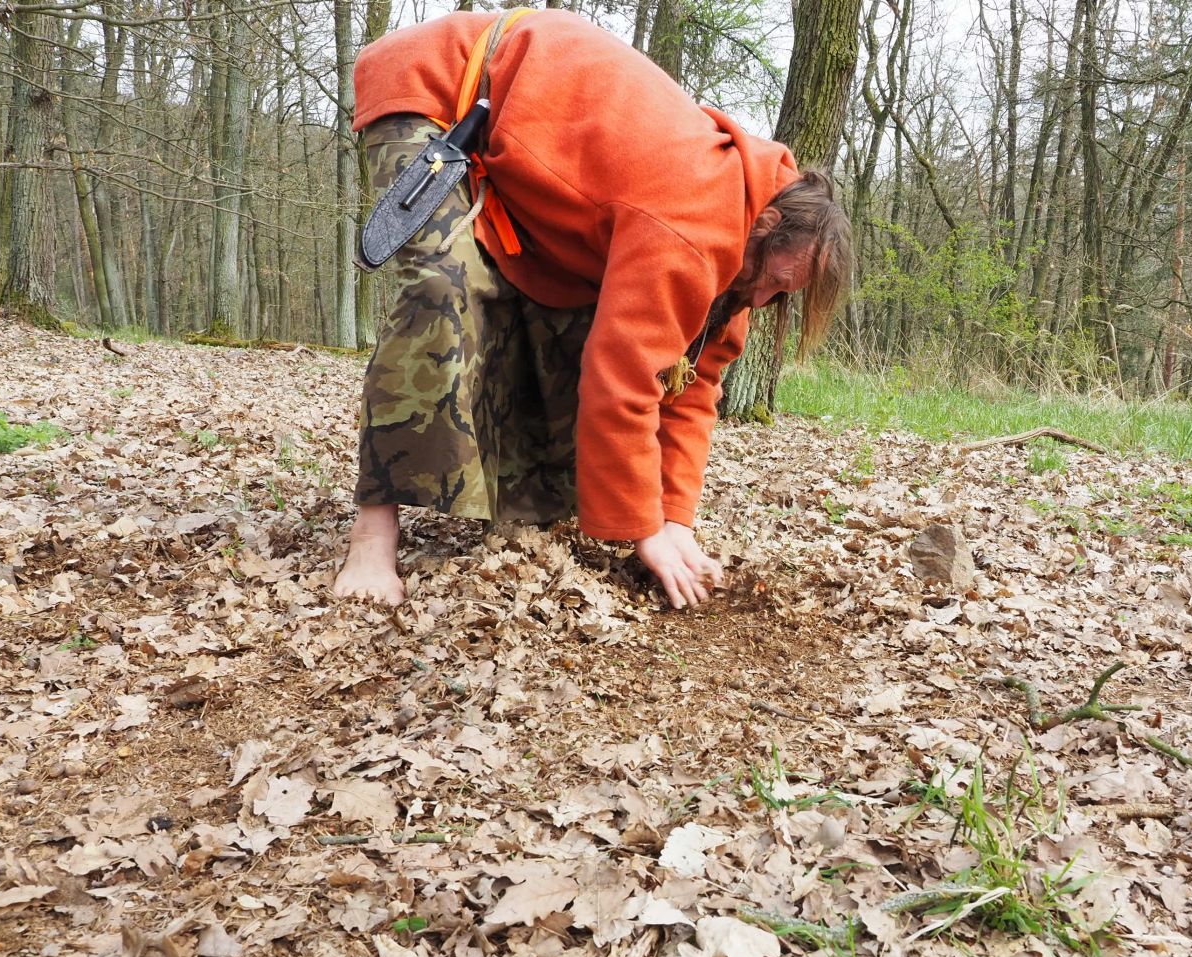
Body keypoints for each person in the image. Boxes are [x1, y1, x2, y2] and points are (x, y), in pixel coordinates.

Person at [333, 8, 852, 609]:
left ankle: (521, 513)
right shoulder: (692, 222)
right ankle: (371, 537)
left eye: (782, 295)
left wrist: (674, 519)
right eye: (773, 281)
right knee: (443, 290)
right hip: (444, 88)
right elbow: (624, 381)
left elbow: (692, 380)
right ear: (767, 226)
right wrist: (643, 527)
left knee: (563, 313)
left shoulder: (744, 253)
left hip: (522, 134)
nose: (763, 301)